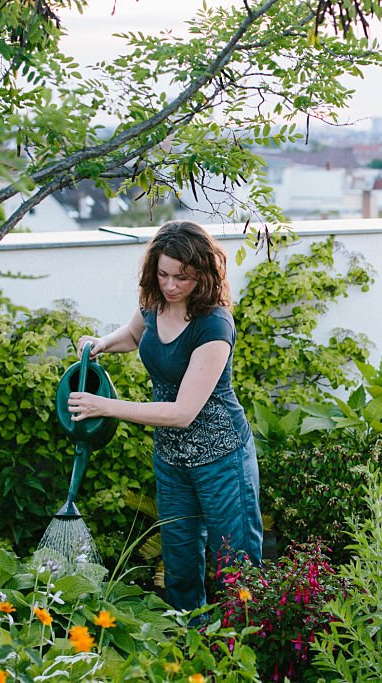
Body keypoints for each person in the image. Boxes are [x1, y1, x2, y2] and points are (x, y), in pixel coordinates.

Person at [68, 220, 262, 612]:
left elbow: (182, 412)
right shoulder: (154, 303)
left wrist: (103, 406)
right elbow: (136, 334)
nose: (171, 285)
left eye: (182, 277)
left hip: (222, 459)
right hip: (172, 460)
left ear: (204, 274)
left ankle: (244, 648)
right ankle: (190, 647)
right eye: (163, 274)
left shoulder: (214, 325)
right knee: (179, 566)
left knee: (236, 564)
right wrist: (103, 343)